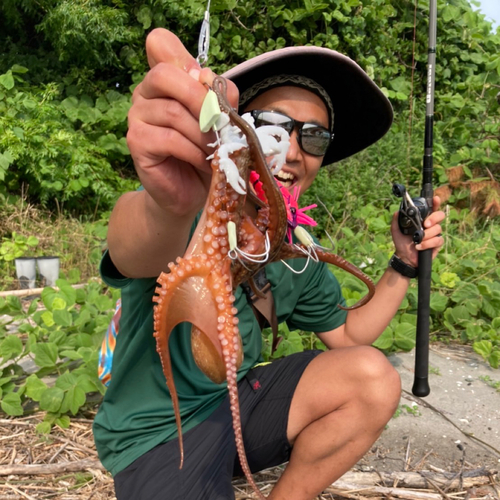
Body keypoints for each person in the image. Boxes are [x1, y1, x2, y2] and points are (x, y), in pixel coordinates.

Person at [93, 28, 445, 500]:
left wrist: (404, 262)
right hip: (156, 433)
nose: (293, 150)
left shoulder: (295, 245)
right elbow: (134, 242)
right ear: (241, 131)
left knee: (372, 379)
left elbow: (348, 335)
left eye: (315, 137)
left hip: (238, 399)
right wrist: (169, 205)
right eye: (272, 125)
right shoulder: (194, 208)